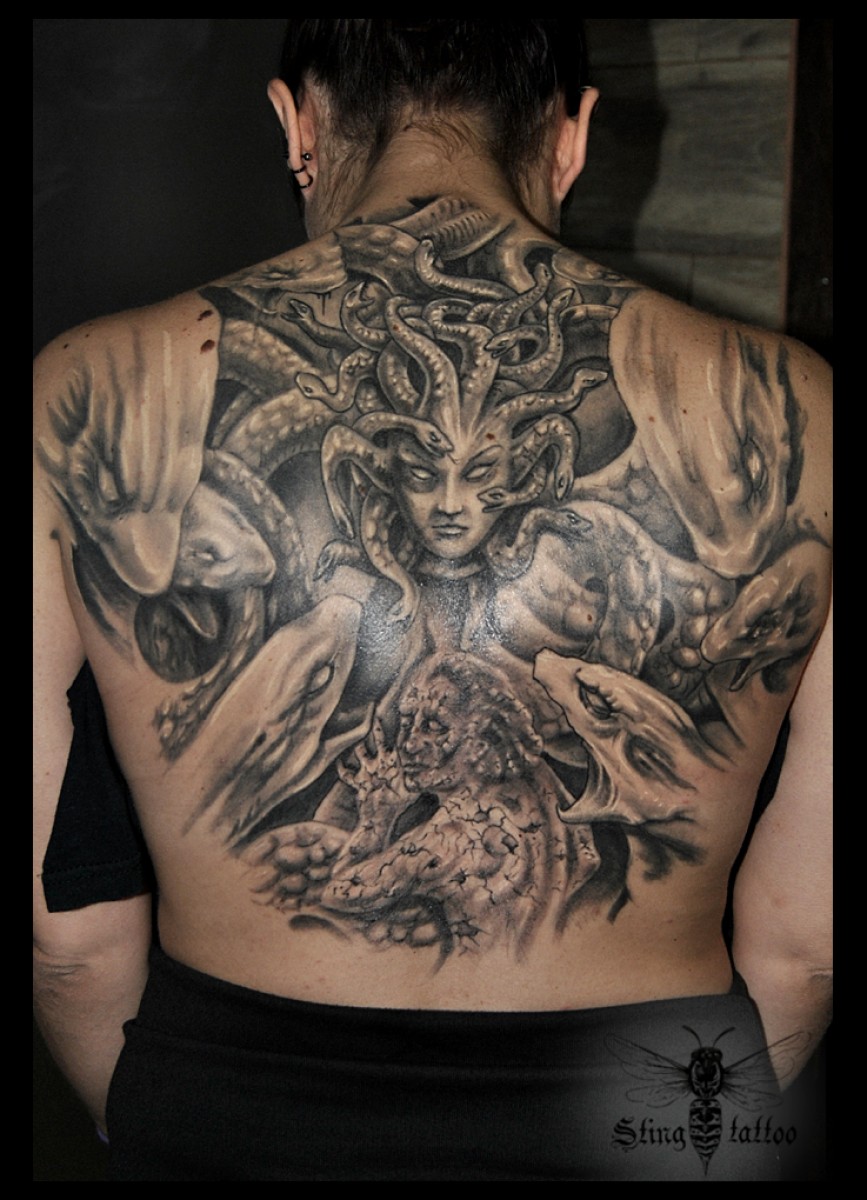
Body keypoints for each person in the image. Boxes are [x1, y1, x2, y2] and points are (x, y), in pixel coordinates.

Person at [33, 19, 832, 1181]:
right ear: (573, 136)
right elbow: (807, 948)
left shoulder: (79, 397)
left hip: (239, 1117)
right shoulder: (804, 414)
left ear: (296, 123)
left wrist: (160, 1116)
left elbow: (66, 937)